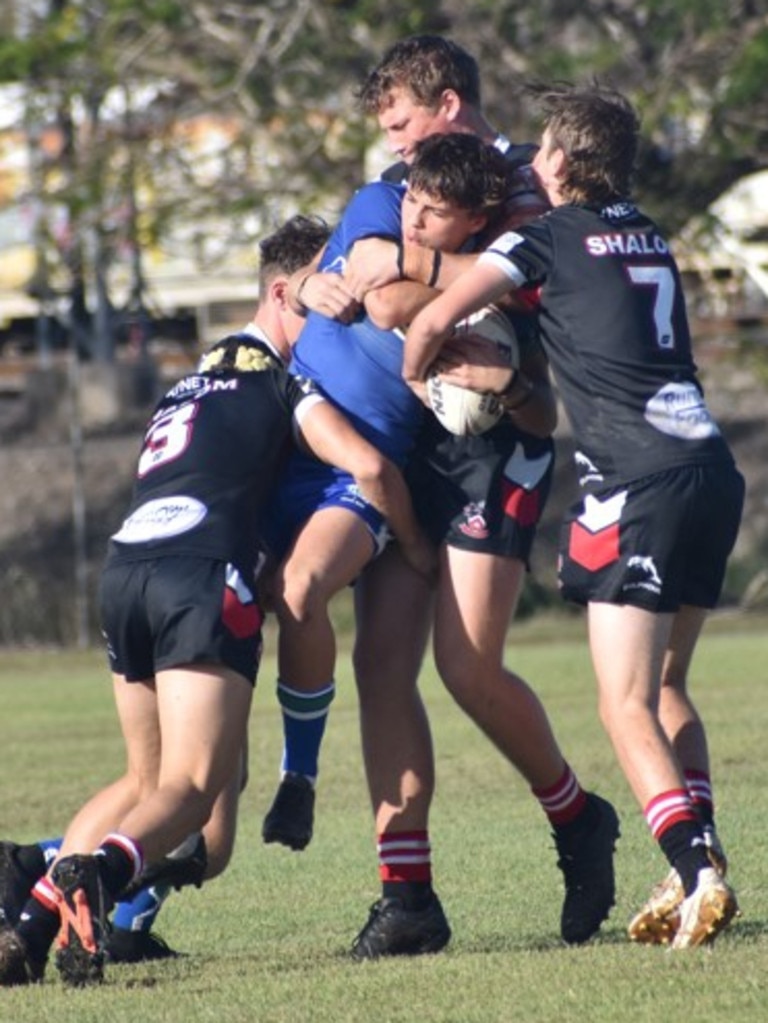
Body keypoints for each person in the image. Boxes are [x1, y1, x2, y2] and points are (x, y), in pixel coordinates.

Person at [0, 243, 434, 989]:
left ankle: (28, 927)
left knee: (150, 786)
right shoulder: (280, 382)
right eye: (322, 299)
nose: (338, 314)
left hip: (125, 567)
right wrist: (419, 547)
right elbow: (368, 467)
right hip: (199, 578)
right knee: (193, 792)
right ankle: (97, 875)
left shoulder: (189, 382)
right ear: (281, 293)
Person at [266, 43, 621, 954]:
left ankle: (578, 817)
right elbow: (370, 289)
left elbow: (515, 340)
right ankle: (409, 897)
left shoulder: (532, 192)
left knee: (467, 669)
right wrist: (421, 285)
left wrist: (435, 293)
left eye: (400, 123)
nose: (390, 147)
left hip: (497, 443)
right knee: (384, 668)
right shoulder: (392, 189)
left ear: (448, 106)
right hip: (414, 446)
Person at [402, 81, 744, 950]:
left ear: (554, 161)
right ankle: (695, 862)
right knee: (668, 686)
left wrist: (422, 377)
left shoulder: (545, 235)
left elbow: (438, 314)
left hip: (634, 478)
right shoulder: (652, 235)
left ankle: (697, 866)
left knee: (622, 701)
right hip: (709, 466)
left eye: (543, 147)